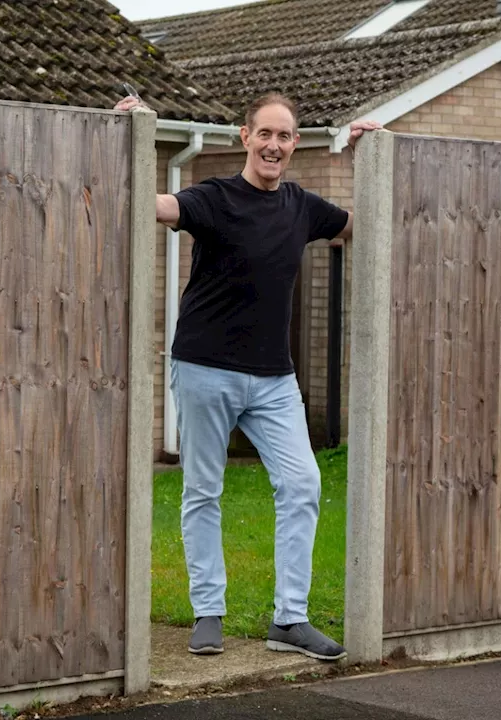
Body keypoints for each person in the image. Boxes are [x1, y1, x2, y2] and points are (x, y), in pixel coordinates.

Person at [115, 90, 381, 661]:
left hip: (274, 380)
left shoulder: (303, 207)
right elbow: (155, 205)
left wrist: (367, 158)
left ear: (294, 146)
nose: (275, 145)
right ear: (245, 136)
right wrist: (127, 142)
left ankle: (290, 620)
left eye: (285, 136)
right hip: (205, 368)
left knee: (303, 483)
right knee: (203, 489)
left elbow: (365, 226)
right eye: (266, 133)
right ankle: (209, 611)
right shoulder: (215, 198)